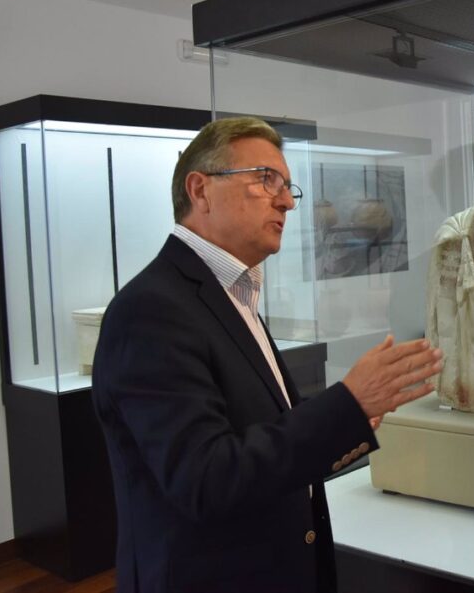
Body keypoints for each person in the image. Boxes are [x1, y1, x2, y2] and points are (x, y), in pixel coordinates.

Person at [92, 117, 442, 593]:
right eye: (265, 179)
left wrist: (349, 421)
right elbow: (205, 479)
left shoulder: (229, 295)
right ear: (201, 190)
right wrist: (346, 407)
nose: (285, 201)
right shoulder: (151, 311)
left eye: (286, 186)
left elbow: (258, 434)